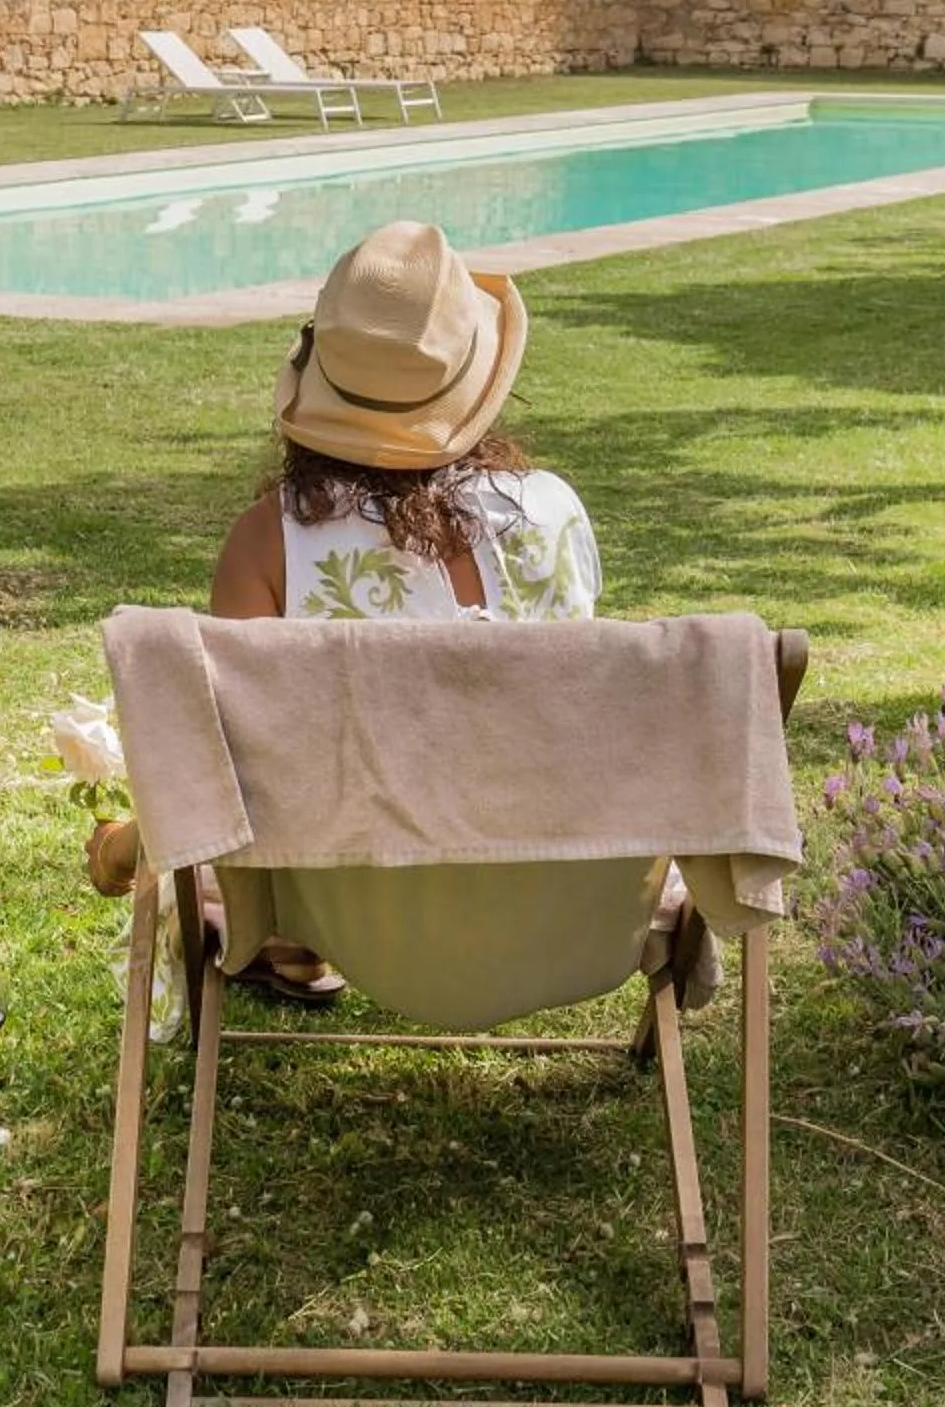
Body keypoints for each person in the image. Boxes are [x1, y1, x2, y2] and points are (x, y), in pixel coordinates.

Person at [89, 220, 601, 1004]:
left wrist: (122, 850)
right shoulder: (558, 512)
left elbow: (237, 783)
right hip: (559, 907)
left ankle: (291, 950)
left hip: (355, 914)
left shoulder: (271, 545)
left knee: (282, 832)